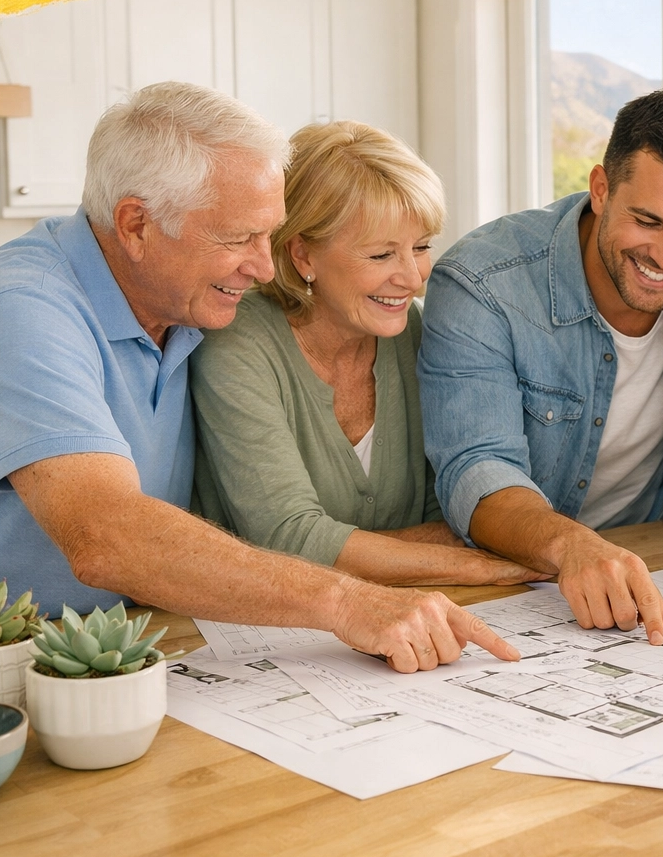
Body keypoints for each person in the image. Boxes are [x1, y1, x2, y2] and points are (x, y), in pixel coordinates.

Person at [0, 82, 516, 672]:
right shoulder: (22, 309)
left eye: (269, 236)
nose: (266, 270)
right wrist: (348, 602)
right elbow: (107, 535)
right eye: (238, 238)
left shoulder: (186, 313)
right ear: (136, 225)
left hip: (85, 658)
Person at [419, 89, 663, 644]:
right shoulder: (483, 281)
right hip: (508, 583)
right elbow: (475, 470)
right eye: (648, 221)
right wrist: (574, 547)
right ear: (600, 189)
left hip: (652, 567)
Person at [189, 120, 541, 589]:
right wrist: (461, 563)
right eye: (381, 256)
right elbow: (286, 538)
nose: (413, 278)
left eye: (420, 247)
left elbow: (457, 511)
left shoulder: (418, 330)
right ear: (303, 256)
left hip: (413, 613)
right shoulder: (235, 342)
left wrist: (353, 549)